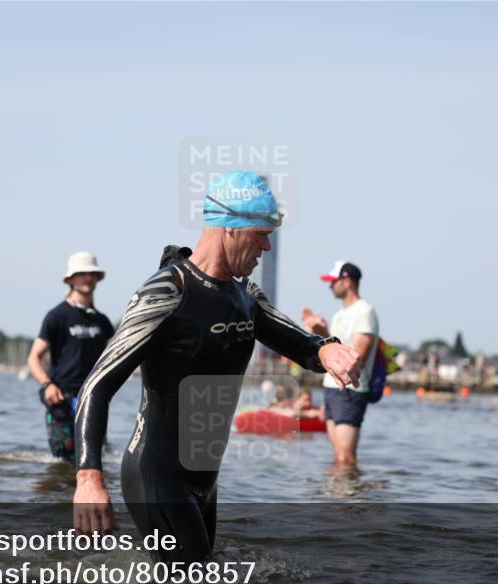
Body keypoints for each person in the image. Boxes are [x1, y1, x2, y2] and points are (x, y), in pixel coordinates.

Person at [71, 171, 362, 563]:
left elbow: (297, 341)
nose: (268, 246)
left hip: (205, 482)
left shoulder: (245, 296)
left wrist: (325, 349)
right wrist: (89, 478)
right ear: (229, 226)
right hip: (156, 475)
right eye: (262, 232)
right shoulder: (166, 292)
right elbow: (97, 385)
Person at [27, 252, 114, 462]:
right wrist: (47, 384)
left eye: (92, 274)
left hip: (93, 397)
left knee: (93, 458)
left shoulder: (102, 321)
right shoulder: (57, 316)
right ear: (71, 279)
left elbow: (115, 357)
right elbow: (33, 358)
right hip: (62, 398)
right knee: (64, 461)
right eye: (82, 274)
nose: (88, 278)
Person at [301, 261, 378, 467]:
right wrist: (321, 332)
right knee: (338, 457)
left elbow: (357, 356)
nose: (330, 286)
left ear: (347, 281)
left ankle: (349, 498)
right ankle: (337, 497)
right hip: (331, 388)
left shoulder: (364, 311)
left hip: (351, 390)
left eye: (333, 282)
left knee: (346, 458)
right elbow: (335, 351)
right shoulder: (339, 315)